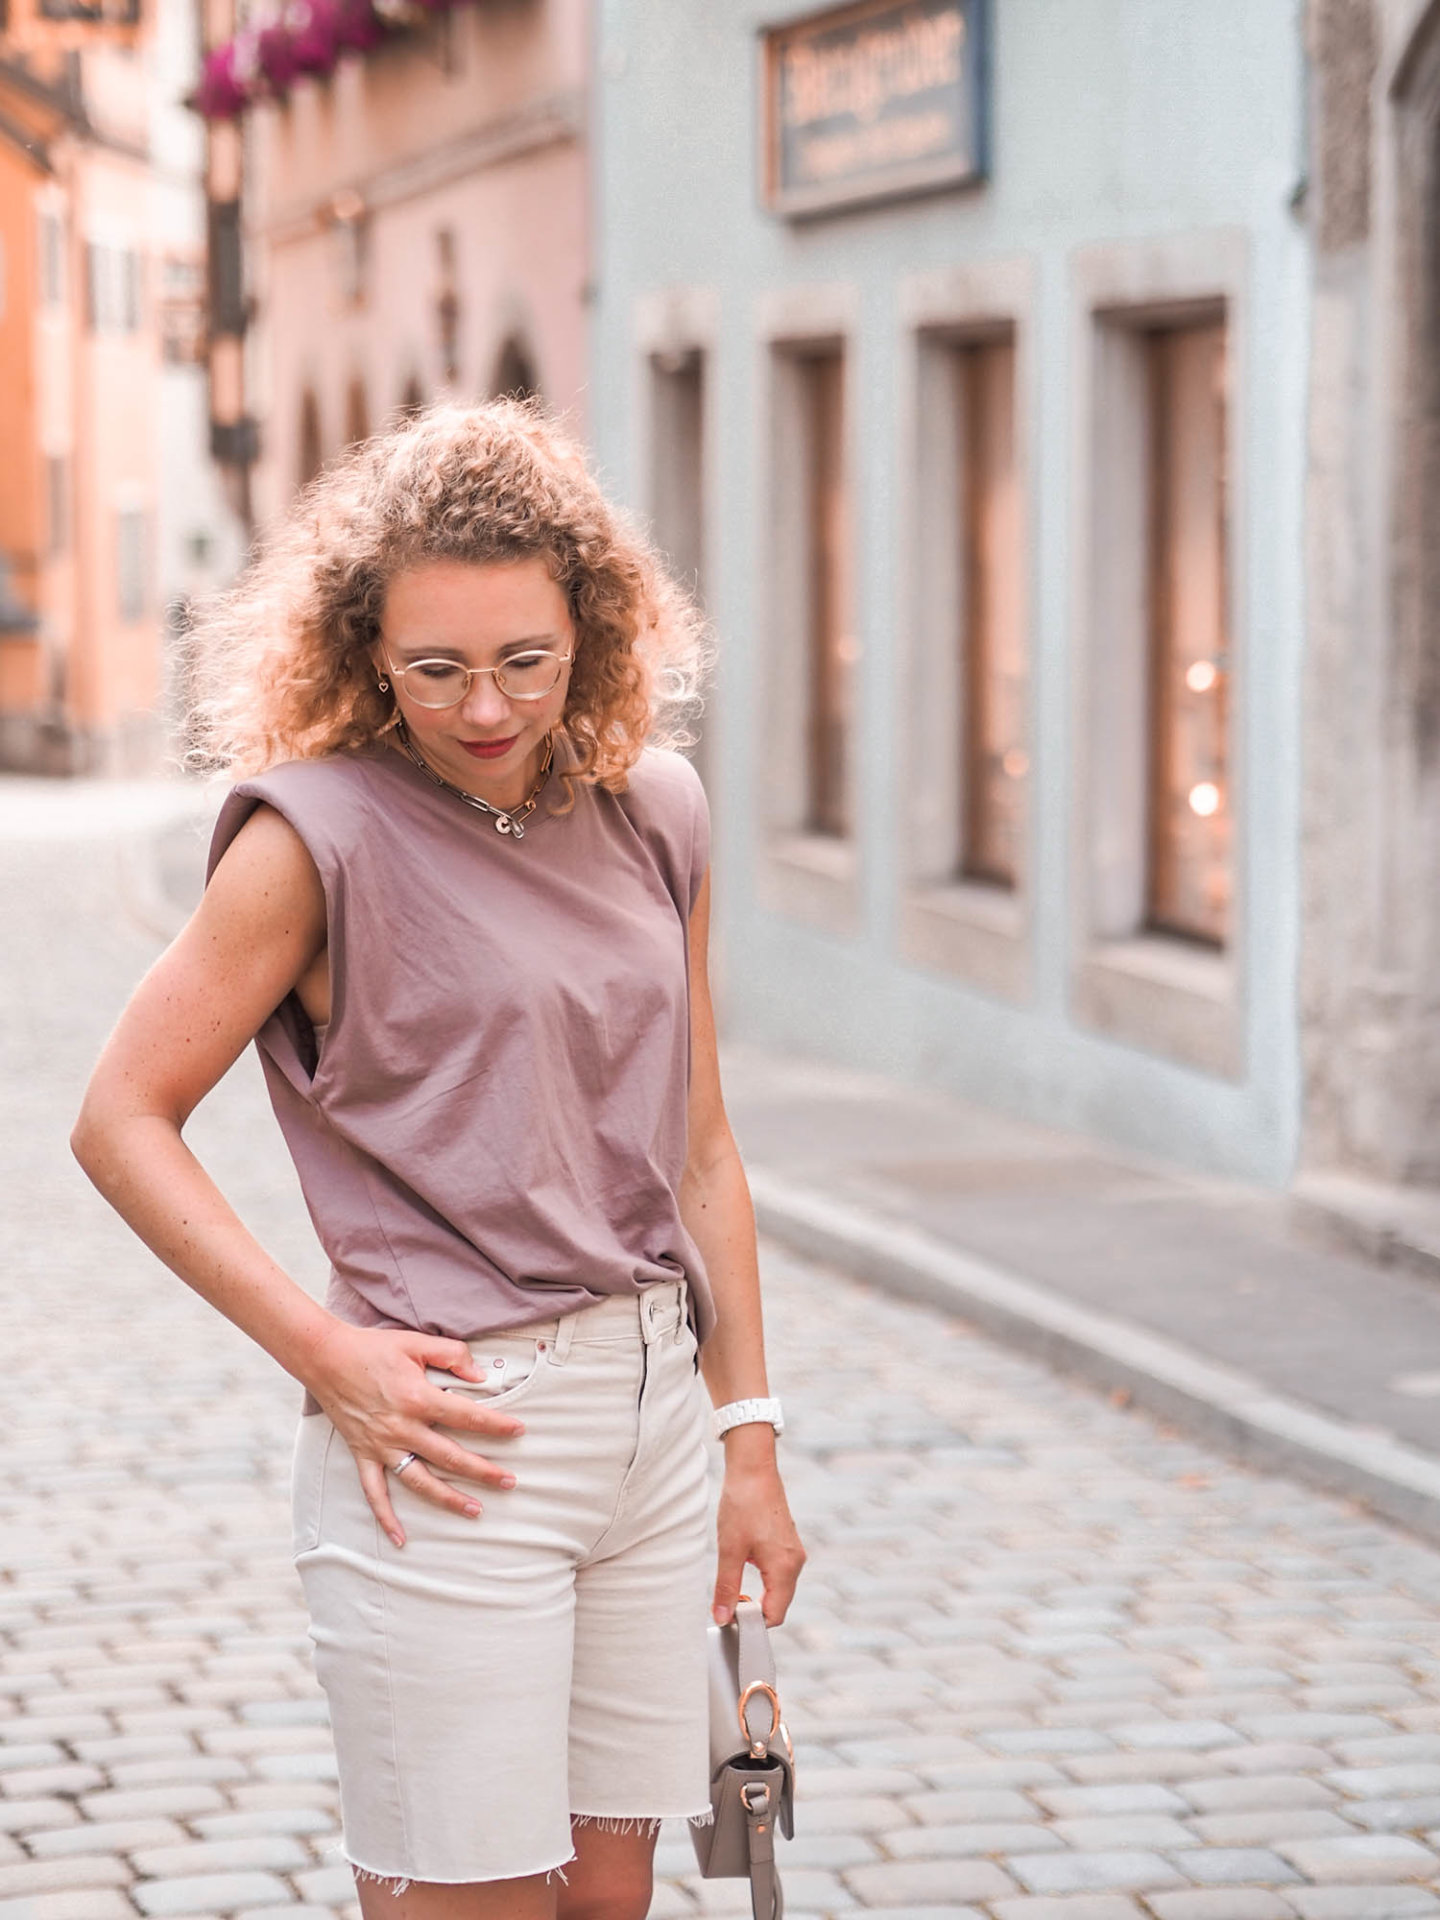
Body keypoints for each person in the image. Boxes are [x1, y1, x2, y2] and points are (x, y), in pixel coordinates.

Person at [72, 401, 806, 1920]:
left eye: (526, 660)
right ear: (364, 652)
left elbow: (704, 1148)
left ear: (590, 631)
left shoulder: (655, 809)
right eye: (436, 668)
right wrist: (326, 1351)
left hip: (656, 1424)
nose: (486, 705)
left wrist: (748, 1436)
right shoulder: (314, 839)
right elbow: (119, 1117)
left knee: (611, 1905)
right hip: (456, 1446)